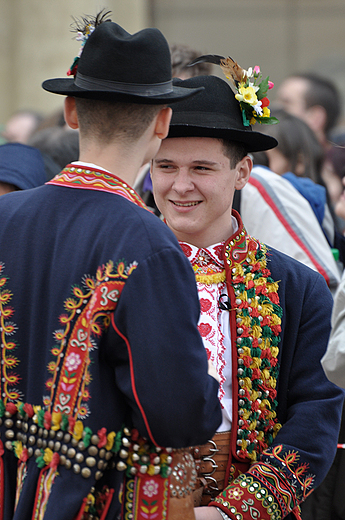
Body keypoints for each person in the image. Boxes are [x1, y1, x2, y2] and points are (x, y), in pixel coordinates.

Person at [0, 12, 222, 520]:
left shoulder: (3, 217)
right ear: (163, 121)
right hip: (96, 502)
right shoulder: (147, 242)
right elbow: (176, 416)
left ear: (71, 110)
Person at [150, 72, 345, 520]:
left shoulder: (295, 285)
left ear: (242, 172)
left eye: (201, 168)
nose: (180, 185)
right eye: (166, 166)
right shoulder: (120, 272)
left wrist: (233, 511)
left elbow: (315, 412)